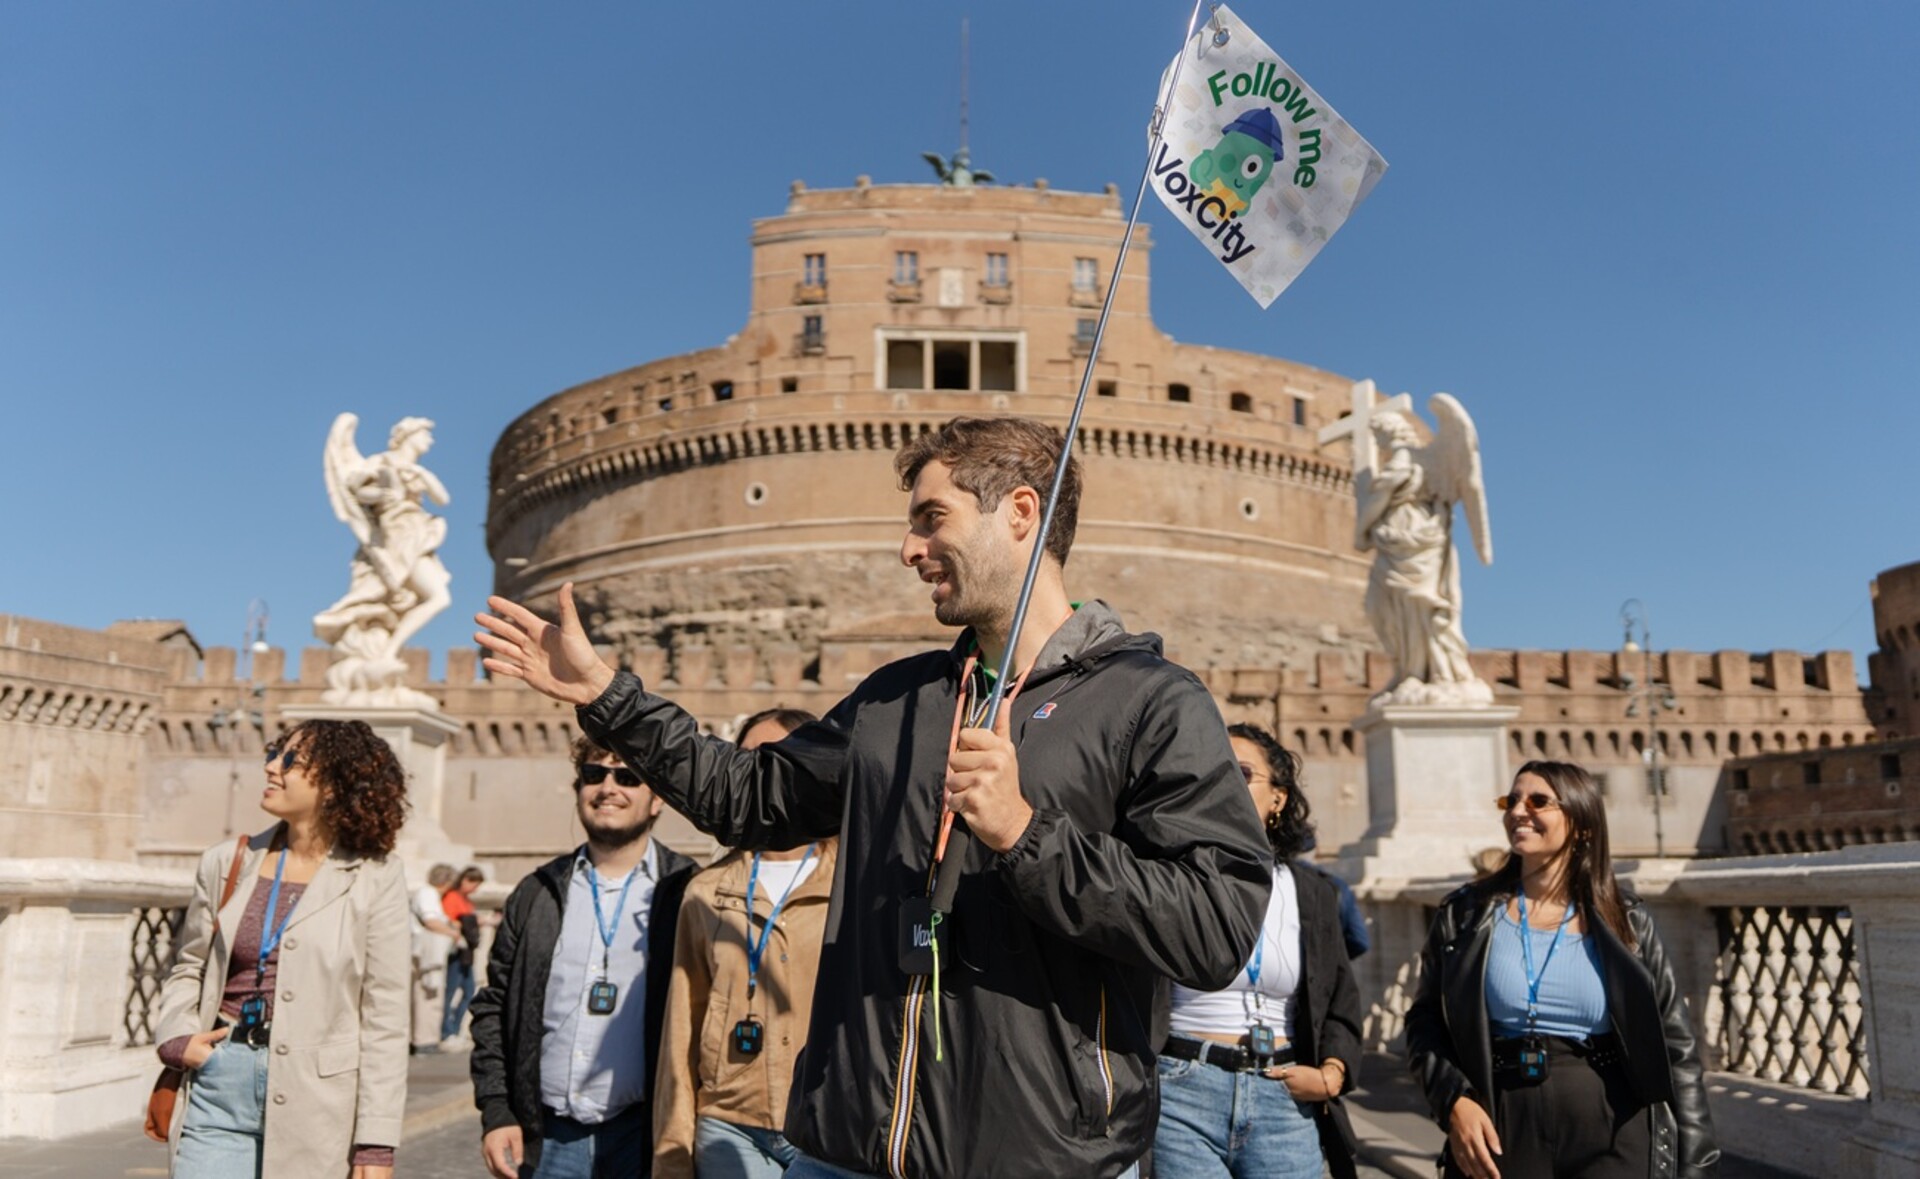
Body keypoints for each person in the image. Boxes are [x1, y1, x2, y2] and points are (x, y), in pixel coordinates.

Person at [475, 415, 1272, 1179]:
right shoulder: (896, 702)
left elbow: (1214, 926)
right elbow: (745, 796)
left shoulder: (1152, 704)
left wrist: (1028, 835)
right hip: (849, 1150)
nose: (908, 548)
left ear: (1021, 513)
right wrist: (611, 697)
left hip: (1044, 1157)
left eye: (932, 518)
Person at [1403, 760, 1719, 1179]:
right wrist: (1454, 1100)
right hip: (1503, 1120)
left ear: (1582, 823)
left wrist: (1695, 1159)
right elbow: (1424, 1023)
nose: (1518, 811)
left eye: (1537, 801)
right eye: (1511, 800)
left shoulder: (1627, 919)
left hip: (1613, 1123)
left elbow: (1676, 1045)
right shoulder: (1465, 914)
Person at [152, 718, 411, 1178]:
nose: (272, 767)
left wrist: (375, 1141)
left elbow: (385, 1014)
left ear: (335, 785)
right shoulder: (226, 862)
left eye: (292, 761)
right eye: (275, 753)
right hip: (219, 1082)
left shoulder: (376, 876)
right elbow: (188, 965)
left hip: (320, 1102)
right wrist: (177, 1037)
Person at [469, 738, 697, 1179]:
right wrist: (497, 1111)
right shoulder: (537, 892)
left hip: (645, 1135)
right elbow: (493, 1007)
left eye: (628, 777)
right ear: (578, 790)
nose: (608, 788)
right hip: (550, 1137)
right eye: (594, 775)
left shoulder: (687, 893)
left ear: (657, 800)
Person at [1154, 724, 1363, 1179]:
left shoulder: (1314, 893)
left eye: (1242, 773)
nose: (1224, 782)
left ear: (1278, 799)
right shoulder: (1166, 876)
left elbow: (1340, 997)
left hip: (1285, 1095)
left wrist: (1332, 1073)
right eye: (1212, 771)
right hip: (1182, 1087)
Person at [655, 707, 834, 1179]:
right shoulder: (706, 892)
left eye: (779, 759)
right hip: (729, 1126)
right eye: (747, 760)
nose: (761, 776)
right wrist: (672, 1152)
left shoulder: (856, 887)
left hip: (830, 1128)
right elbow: (681, 1032)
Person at [413, 862, 460, 1053]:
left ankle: (428, 1039)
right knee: (427, 997)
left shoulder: (429, 894)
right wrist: (453, 933)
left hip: (431, 954)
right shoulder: (428, 894)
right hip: (426, 955)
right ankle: (424, 1041)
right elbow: (430, 921)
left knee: (430, 997)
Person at [443, 865, 487, 1041]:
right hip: (456, 950)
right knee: (451, 991)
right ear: (465, 880)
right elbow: (448, 920)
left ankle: (455, 1028)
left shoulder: (466, 901)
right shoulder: (452, 898)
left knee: (469, 991)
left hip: (468, 951)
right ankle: (447, 1032)